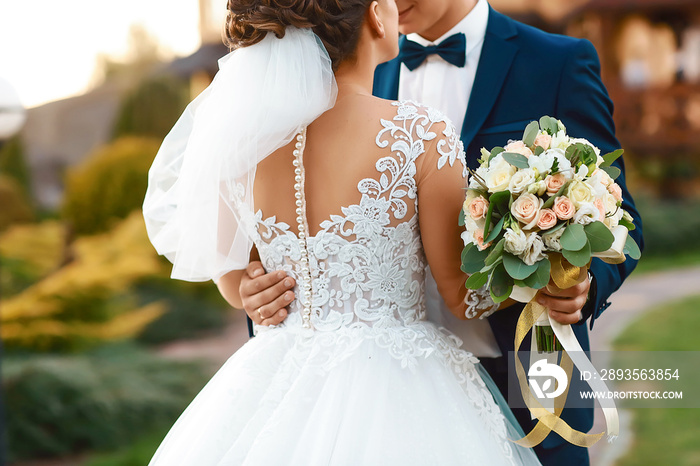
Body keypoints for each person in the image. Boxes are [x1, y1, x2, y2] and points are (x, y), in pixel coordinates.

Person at [238, 0, 644, 464]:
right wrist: (259, 291)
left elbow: (618, 210)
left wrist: (580, 281)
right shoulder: (353, 58)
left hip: (530, 380)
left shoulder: (558, 62)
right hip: (366, 400)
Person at [143, 0, 541, 464]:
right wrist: (540, 259)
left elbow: (234, 280)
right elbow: (464, 295)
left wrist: (251, 291)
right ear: (375, 14)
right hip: (401, 382)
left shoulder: (246, 147)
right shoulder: (418, 134)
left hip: (280, 378)